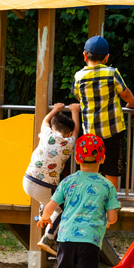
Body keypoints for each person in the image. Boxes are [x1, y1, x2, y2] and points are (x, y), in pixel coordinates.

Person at [37, 133, 120, 268]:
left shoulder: (68, 181)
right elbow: (112, 218)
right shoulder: (107, 185)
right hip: (89, 240)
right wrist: (107, 218)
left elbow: (50, 206)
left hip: (65, 237)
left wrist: (45, 218)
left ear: (76, 158)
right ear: (102, 158)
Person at [72, 35, 134, 189]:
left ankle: (91, 196)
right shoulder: (112, 73)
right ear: (107, 57)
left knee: (91, 166)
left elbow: (78, 95)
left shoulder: (79, 76)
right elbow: (125, 93)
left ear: (85, 56)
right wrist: (132, 104)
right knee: (112, 167)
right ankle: (110, 197)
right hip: (113, 131)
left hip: (91, 133)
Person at [23, 102, 77, 255]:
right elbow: (76, 131)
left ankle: (43, 213)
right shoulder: (68, 143)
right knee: (65, 208)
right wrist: (74, 111)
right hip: (45, 187)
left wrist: (55, 109)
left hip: (27, 181)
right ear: (68, 134)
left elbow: (45, 121)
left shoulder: (46, 134)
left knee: (49, 195)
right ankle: (49, 236)